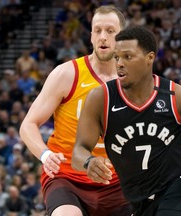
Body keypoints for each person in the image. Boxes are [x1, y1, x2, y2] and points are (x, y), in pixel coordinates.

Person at [72, 26, 181, 216]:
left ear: (150, 58)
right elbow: (78, 151)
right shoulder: (101, 98)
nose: (120, 63)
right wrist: (89, 162)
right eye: (117, 57)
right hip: (139, 199)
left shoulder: (178, 97)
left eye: (128, 57)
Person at [19, 5, 132, 216]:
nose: (103, 37)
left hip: (117, 182)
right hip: (68, 177)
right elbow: (28, 124)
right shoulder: (66, 74)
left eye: (110, 31)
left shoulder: (135, 82)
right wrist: (45, 154)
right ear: (90, 36)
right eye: (97, 30)